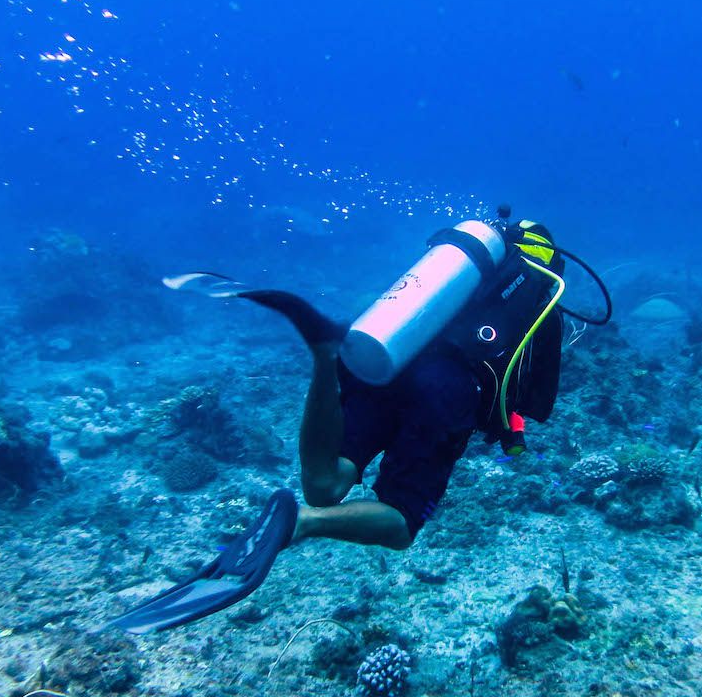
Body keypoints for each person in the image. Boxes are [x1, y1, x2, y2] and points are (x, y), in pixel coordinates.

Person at [111, 211, 583, 633]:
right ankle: (302, 523)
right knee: (400, 523)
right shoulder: (540, 296)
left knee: (325, 479)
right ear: (548, 262)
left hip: (387, 355)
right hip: (446, 390)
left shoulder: (462, 271)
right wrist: (507, 429)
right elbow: (534, 401)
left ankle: (322, 355)